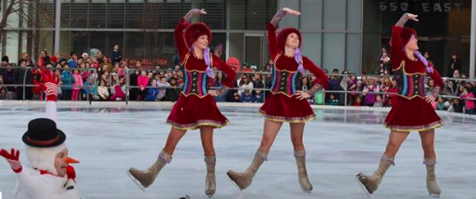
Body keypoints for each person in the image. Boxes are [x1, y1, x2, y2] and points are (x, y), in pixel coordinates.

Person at [128, 8, 236, 197]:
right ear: (194, 39)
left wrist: (223, 88)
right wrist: (190, 14)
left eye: (206, 39)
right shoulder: (185, 54)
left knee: (207, 144)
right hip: (186, 103)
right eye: (202, 38)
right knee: (171, 141)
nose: (206, 41)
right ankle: (151, 174)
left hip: (205, 104)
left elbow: (231, 72)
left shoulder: (211, 58)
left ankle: (211, 176)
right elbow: (178, 31)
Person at [227, 7, 329, 193]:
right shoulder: (276, 53)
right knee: (266, 141)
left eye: (297, 38)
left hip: (296, 104)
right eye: (292, 37)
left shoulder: (302, 60)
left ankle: (303, 175)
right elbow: (271, 29)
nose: (295, 39)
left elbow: (323, 77)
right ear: (284, 40)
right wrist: (281, 13)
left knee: (297, 142)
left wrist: (309, 93)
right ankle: (247, 176)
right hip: (276, 102)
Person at [356, 13, 444, 198]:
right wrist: (404, 17)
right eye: (414, 38)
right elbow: (396, 32)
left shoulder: (423, 63)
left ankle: (431, 179)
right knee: (391, 147)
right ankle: (375, 180)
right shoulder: (399, 59)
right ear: (406, 43)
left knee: (428, 148)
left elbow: (438, 80)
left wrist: (433, 96)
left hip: (423, 109)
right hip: (404, 108)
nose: (417, 40)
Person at [0, 72, 82, 199]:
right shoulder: (45, 181)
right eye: (61, 155)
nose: (67, 160)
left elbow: (50, 127)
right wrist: (19, 171)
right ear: (46, 158)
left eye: (66, 154)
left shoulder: (51, 169)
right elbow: (36, 188)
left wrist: (51, 99)